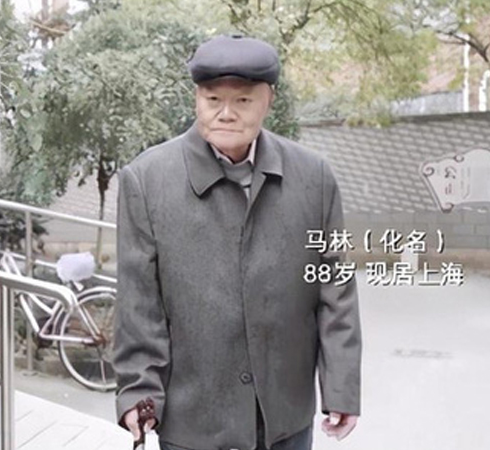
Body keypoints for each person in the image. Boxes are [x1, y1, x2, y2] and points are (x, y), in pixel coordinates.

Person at [113, 34, 362, 450]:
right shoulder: (147, 180)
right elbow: (139, 302)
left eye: (243, 101)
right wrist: (139, 391)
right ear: (197, 99)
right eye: (212, 100)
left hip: (284, 416)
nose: (225, 114)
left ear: (269, 100)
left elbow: (335, 290)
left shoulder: (313, 177)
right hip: (192, 419)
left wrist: (341, 388)